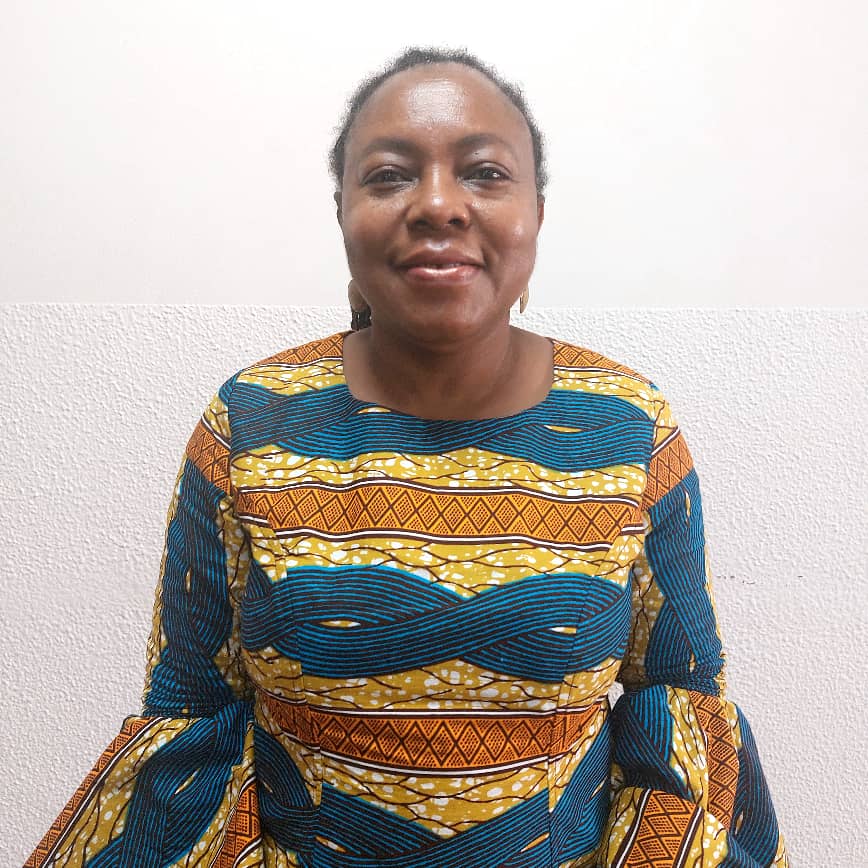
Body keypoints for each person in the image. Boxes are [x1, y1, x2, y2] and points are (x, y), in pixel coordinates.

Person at [25, 48, 788, 867]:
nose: (437, 204)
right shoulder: (248, 423)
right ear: (342, 212)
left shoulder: (629, 425)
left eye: (484, 173)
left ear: (536, 211)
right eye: (389, 176)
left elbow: (679, 707)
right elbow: (192, 714)